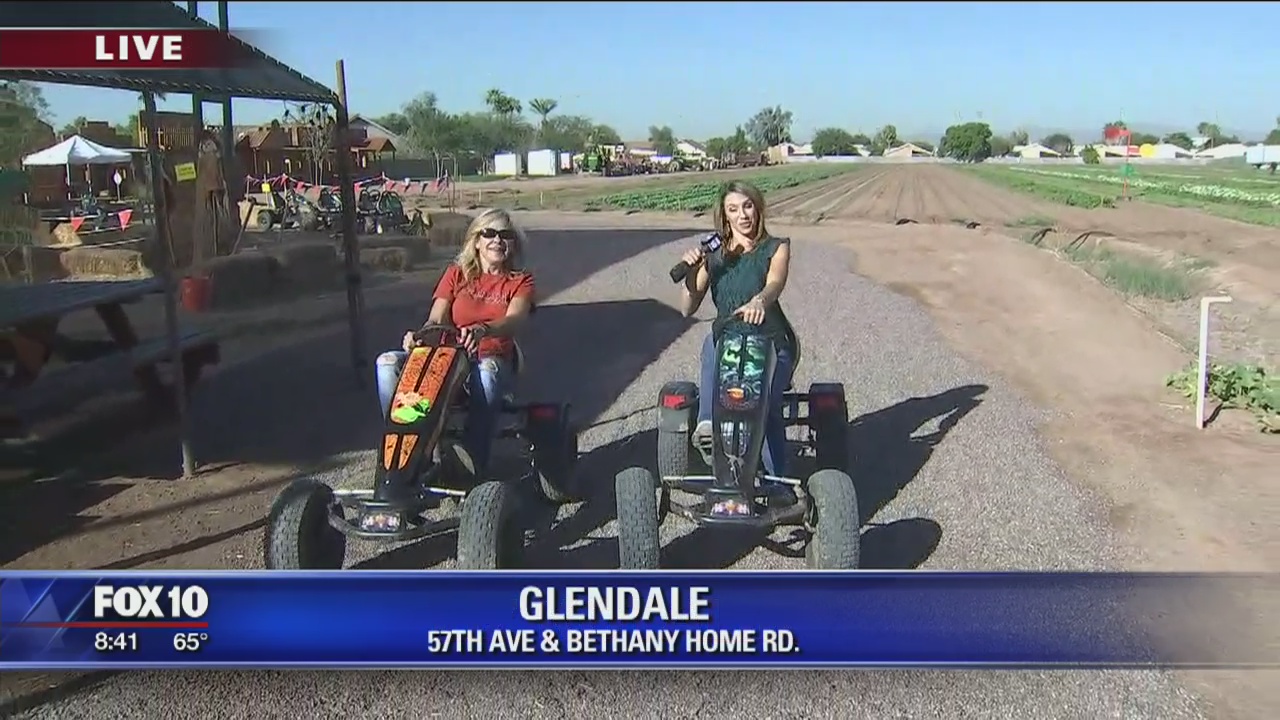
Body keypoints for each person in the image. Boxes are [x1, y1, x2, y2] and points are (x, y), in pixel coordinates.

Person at [375, 208, 535, 477]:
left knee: (486, 373)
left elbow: (515, 319)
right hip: (446, 361)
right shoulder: (456, 274)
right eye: (489, 233)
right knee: (387, 362)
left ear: (513, 244)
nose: (497, 240)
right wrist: (419, 336)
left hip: (490, 360)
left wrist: (483, 330)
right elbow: (436, 317)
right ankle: (405, 451)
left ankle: (472, 463)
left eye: (505, 235)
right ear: (476, 241)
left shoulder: (519, 281)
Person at [677, 181, 797, 498]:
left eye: (747, 206)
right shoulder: (714, 254)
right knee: (713, 343)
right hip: (728, 341)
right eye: (733, 209)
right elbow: (688, 307)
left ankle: (776, 484)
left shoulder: (776, 247)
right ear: (724, 216)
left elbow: (775, 283)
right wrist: (692, 270)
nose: (742, 215)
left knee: (763, 404)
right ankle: (707, 425)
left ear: (757, 208)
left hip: (769, 341)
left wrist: (761, 301)